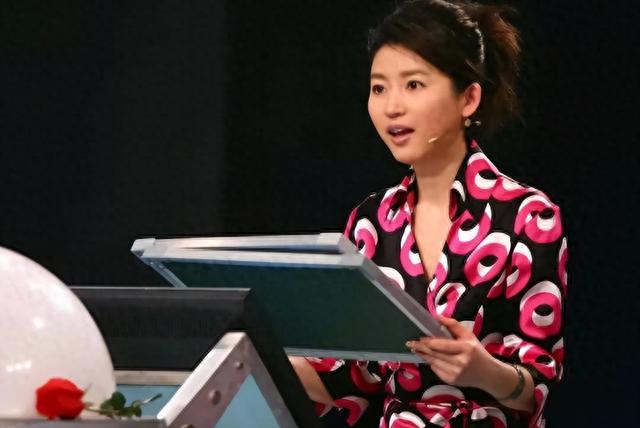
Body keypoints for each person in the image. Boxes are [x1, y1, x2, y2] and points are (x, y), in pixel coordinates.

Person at [290, 0, 567, 427]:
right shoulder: (371, 221)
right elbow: (351, 376)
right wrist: (248, 348)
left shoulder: (528, 216)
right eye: (379, 88)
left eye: (414, 85)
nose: (391, 107)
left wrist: (483, 371)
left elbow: (537, 385)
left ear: (468, 98)